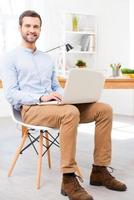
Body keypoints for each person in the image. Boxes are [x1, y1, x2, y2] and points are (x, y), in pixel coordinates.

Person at [0, 10, 127, 200]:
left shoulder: (46, 59)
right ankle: (68, 179)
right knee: (70, 113)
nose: (32, 30)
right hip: (30, 109)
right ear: (20, 28)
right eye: (28, 26)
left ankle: (99, 171)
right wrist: (41, 98)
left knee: (104, 110)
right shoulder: (10, 58)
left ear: (40, 29)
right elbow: (11, 94)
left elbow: (55, 86)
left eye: (36, 26)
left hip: (56, 107)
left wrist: (65, 94)